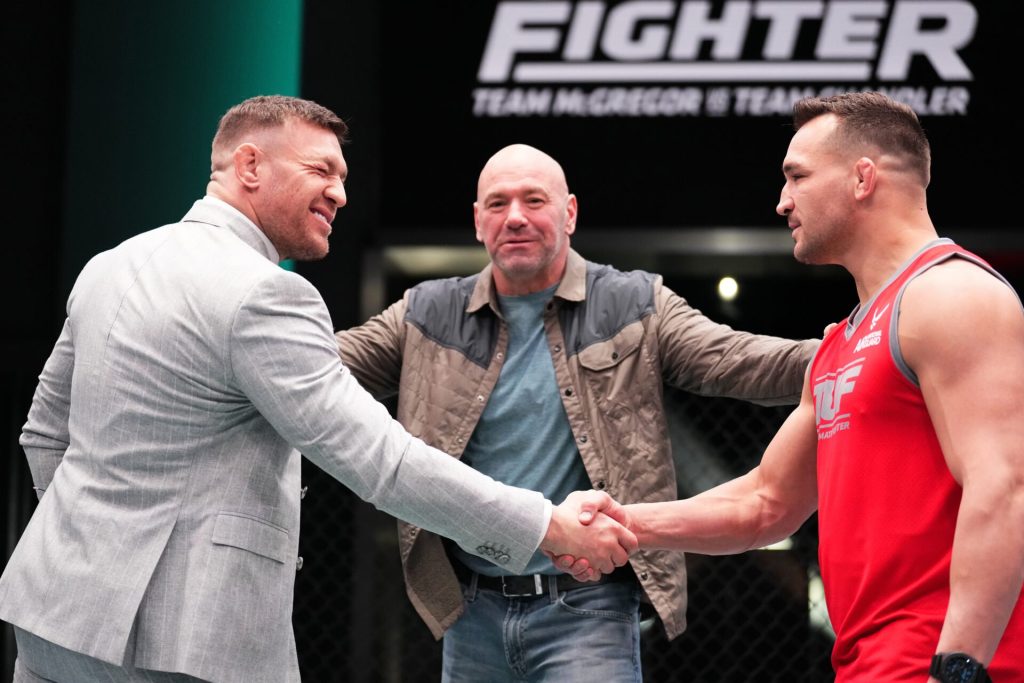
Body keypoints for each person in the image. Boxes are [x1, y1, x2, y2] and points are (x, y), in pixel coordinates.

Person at [0, 96, 637, 683]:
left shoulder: (110, 266)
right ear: (249, 165)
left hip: (53, 616)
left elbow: (44, 434)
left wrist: (94, 547)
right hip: (184, 643)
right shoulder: (265, 292)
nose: (340, 192)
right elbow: (383, 462)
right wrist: (545, 525)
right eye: (321, 170)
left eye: (344, 176)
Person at [581, 92, 1024, 681]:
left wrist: (959, 668)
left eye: (798, 176)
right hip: (870, 662)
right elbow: (764, 504)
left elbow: (1005, 488)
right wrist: (623, 522)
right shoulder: (842, 340)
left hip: (944, 660)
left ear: (863, 178)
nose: (782, 200)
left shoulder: (953, 295)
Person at [334, 143, 819, 681]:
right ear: (477, 221)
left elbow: (737, 360)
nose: (514, 217)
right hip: (469, 609)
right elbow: (315, 370)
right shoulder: (426, 313)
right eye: (497, 203)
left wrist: (852, 352)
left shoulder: (634, 302)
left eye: (533, 200)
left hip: (589, 605)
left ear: (569, 213)